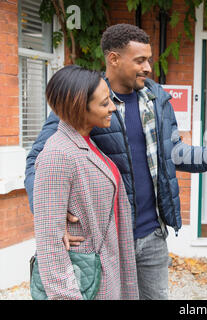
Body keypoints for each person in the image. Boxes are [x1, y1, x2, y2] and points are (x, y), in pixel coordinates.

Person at [25, 24, 207, 300]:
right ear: (114, 59)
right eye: (140, 60)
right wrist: (52, 219)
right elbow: (40, 158)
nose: (148, 68)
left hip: (152, 233)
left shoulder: (156, 98)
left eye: (149, 60)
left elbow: (172, 150)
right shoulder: (87, 99)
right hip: (110, 238)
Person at [33, 65, 139, 299]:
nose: (113, 107)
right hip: (86, 283)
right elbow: (50, 245)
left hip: (106, 271)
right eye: (104, 104)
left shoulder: (86, 142)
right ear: (78, 107)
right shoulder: (58, 154)